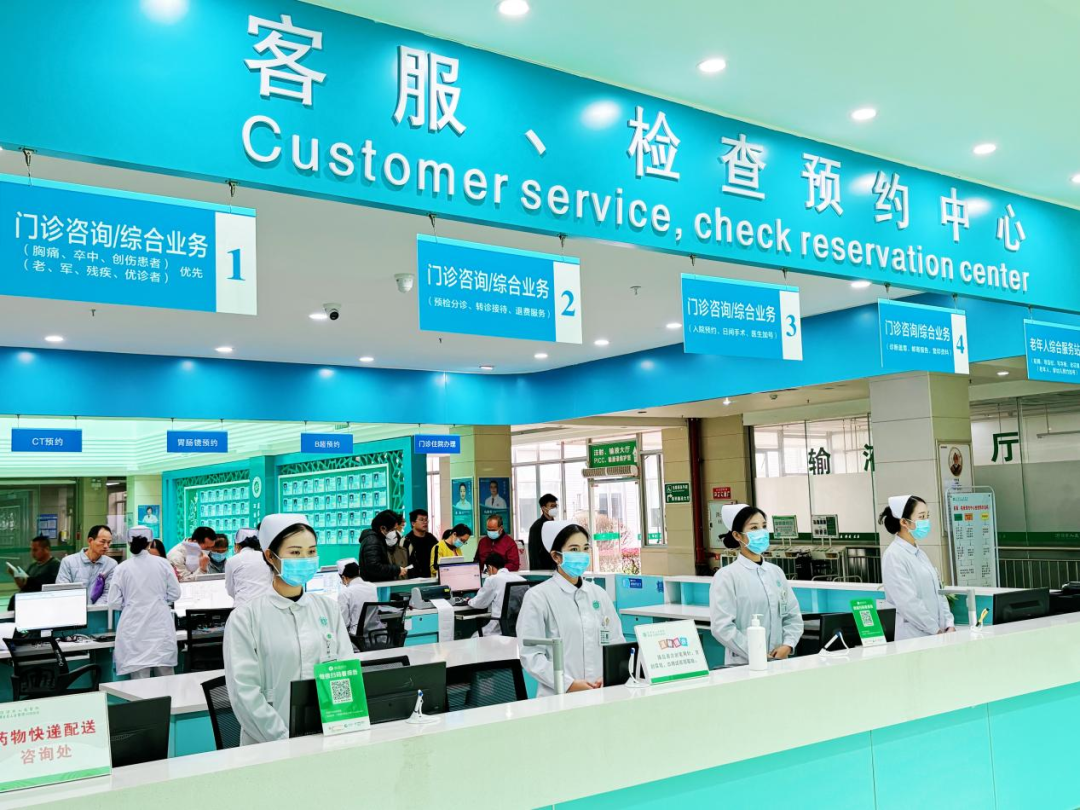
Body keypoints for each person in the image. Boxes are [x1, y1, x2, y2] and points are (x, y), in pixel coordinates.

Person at [223, 514, 353, 745]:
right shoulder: (245, 618)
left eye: (311, 551)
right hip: (269, 744)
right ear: (270, 556)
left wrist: (345, 726)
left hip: (327, 739)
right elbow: (245, 694)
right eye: (295, 552)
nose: (305, 559)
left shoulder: (328, 609)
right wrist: (286, 741)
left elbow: (345, 671)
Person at [517, 522, 623, 696]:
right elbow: (531, 655)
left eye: (585, 548)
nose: (581, 554)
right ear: (556, 556)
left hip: (600, 692)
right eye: (574, 549)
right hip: (559, 695)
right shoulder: (538, 597)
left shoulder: (599, 594)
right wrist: (568, 684)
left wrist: (609, 674)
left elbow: (616, 641)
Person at [709, 504, 803, 666]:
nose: (761, 532)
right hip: (744, 663)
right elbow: (722, 627)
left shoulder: (776, 572)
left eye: (764, 526)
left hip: (779, 660)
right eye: (754, 528)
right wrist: (756, 651)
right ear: (737, 535)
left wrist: (788, 645)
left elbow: (792, 615)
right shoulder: (727, 576)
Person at [108, 526, 182, 679]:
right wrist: (159, 601)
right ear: (150, 542)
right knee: (167, 680)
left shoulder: (122, 568)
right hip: (160, 627)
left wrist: (131, 604)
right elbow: (175, 594)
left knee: (139, 682)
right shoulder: (163, 564)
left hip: (133, 629)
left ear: (129, 543)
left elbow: (113, 602)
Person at [880, 494, 955, 640]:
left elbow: (938, 593)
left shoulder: (920, 554)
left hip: (937, 634)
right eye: (921, 517)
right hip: (914, 636)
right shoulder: (894, 556)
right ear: (904, 522)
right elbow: (908, 603)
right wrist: (935, 630)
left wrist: (948, 624)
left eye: (927, 516)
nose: (926, 521)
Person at [56, 525, 117, 604]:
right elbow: (62, 591)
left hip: (99, 610)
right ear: (90, 540)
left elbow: (108, 593)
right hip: (73, 608)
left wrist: (94, 609)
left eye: (108, 543)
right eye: (102, 542)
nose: (106, 546)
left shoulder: (111, 565)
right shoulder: (68, 562)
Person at [468, 552, 525, 637]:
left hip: (498, 628)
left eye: (487, 570)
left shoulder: (492, 579)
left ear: (490, 567)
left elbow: (480, 603)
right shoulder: (521, 579)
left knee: (474, 636)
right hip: (517, 628)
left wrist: (469, 601)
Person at [7, 535, 61, 610]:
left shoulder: (55, 565)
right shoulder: (32, 566)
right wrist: (15, 575)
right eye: (31, 550)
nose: (32, 553)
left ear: (46, 549)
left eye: (35, 550)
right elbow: (24, 587)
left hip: (41, 602)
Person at [225, 527, 273, 611]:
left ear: (237, 545)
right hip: (266, 606)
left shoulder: (232, 560)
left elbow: (230, 590)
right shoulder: (267, 558)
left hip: (242, 607)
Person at [359, 509, 408, 583]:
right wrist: (397, 570)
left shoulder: (378, 539)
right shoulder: (372, 541)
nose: (394, 533)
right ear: (382, 528)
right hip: (375, 585)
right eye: (393, 530)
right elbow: (374, 567)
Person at [337, 561, 378, 638]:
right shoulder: (373, 587)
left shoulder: (345, 593)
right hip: (376, 635)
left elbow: (344, 623)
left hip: (357, 638)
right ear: (358, 572)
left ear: (344, 578)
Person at [527, 493, 559, 571]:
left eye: (556, 506)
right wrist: (537, 573)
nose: (555, 508)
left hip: (556, 567)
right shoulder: (536, 527)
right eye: (552, 506)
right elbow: (534, 554)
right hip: (542, 569)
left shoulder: (556, 525)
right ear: (544, 508)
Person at [404, 508, 438, 578]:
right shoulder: (406, 540)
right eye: (422, 520)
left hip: (431, 577)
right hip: (413, 579)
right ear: (413, 523)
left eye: (426, 520)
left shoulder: (431, 538)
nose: (425, 522)